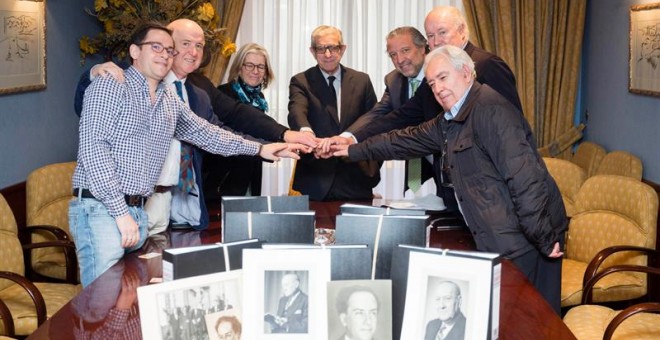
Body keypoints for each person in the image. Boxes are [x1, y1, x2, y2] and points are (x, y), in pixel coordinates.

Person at [331, 45, 567, 314]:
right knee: (505, 322)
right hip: (498, 236)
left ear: (466, 73)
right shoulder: (450, 118)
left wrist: (544, 238)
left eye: (443, 78)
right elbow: (402, 140)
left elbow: (526, 179)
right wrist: (351, 149)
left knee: (533, 323)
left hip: (526, 242)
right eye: (432, 83)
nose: (438, 88)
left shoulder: (491, 110)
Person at [70, 22, 305, 287]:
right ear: (135, 51)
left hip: (137, 211)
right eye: (156, 47)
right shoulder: (110, 84)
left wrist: (261, 149)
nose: (165, 55)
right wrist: (119, 212)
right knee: (101, 302)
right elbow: (93, 150)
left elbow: (208, 134)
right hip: (102, 209)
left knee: (129, 302)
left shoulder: (168, 98)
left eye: (169, 50)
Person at [319, 6, 521, 210]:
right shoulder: (432, 76)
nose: (436, 42)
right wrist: (351, 141)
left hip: (495, 191)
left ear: (462, 31)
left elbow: (513, 132)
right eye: (431, 36)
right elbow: (400, 118)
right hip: (455, 190)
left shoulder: (489, 65)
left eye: (442, 32)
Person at [288, 25, 379, 201]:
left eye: (333, 48)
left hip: (357, 175)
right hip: (315, 178)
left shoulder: (362, 80)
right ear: (313, 51)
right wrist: (306, 134)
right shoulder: (301, 81)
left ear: (342, 49)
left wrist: (372, 163)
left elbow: (374, 121)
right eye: (321, 49)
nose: (328, 54)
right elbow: (296, 111)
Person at [339, 26, 430, 194]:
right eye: (393, 55)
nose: (400, 59)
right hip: (415, 164)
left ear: (423, 48)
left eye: (405, 50)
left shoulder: (440, 74)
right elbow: (379, 114)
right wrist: (348, 137)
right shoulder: (393, 79)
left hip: (448, 162)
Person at [205, 43, 275, 199]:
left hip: (251, 171)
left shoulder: (259, 99)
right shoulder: (223, 93)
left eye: (260, 67)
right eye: (249, 65)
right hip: (226, 175)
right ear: (239, 67)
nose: (255, 71)